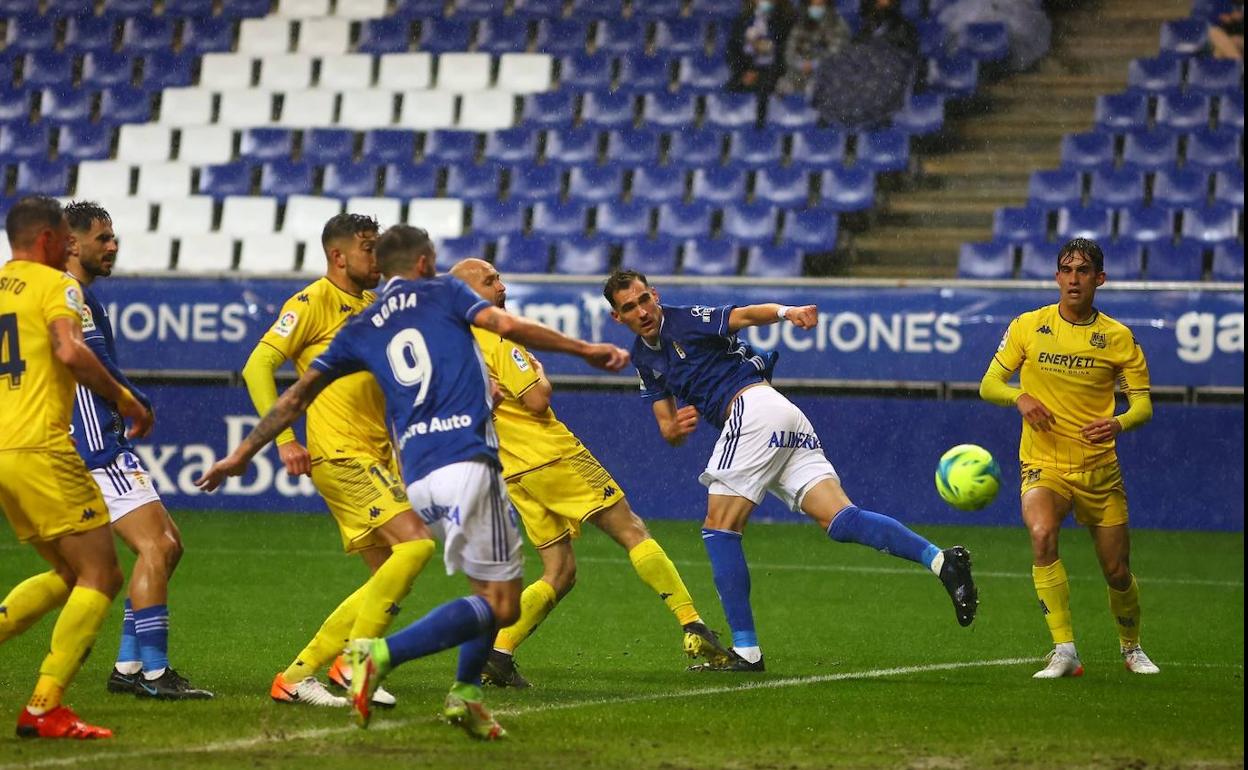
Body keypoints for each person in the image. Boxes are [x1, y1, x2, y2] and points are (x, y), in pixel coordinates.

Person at [197, 225, 629, 740]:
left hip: (417, 468)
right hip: (464, 459)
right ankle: (374, 657)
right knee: (494, 598)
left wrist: (243, 453)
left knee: (457, 584)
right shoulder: (441, 295)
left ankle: (458, 693)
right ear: (425, 263)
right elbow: (507, 326)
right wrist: (586, 350)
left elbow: (296, 397)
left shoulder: (365, 322)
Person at [603, 270, 977, 672]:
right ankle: (942, 561)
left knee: (719, 528)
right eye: (629, 307)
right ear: (617, 317)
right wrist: (676, 429)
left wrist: (788, 311)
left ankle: (746, 651)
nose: (642, 311)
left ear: (655, 295)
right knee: (841, 520)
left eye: (645, 299)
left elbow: (744, 315)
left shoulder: (685, 319)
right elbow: (667, 428)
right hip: (781, 416)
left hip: (753, 410)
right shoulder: (644, 359)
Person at [449, 258, 732, 688]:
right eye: (490, 282)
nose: (502, 286)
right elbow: (537, 398)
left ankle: (498, 654)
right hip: (551, 454)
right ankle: (694, 627)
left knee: (559, 572)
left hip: (513, 469)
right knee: (632, 529)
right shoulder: (497, 335)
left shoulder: (455, 344)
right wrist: (539, 372)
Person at [241, 213, 437, 709]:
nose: (379, 257)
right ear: (338, 255)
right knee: (414, 547)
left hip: (378, 455)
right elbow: (257, 365)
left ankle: (322, 670)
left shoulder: (373, 305)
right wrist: (284, 438)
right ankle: (339, 666)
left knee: (388, 576)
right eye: (370, 248)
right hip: (341, 454)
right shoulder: (312, 302)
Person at [0, 196, 153, 739]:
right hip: (42, 448)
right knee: (101, 574)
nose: (69, 244)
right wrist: (125, 398)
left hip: (3, 453)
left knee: (69, 573)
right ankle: (44, 706)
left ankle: (45, 705)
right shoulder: (56, 286)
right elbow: (69, 351)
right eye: (65, 234)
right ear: (46, 238)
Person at [979, 238, 1159, 679]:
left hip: (1099, 471)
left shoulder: (1118, 338)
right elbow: (989, 384)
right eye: (1066, 269)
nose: (1073, 278)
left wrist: (1118, 423)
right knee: (1041, 534)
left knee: (1117, 571)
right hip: (1045, 463)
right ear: (1057, 276)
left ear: (1100, 279)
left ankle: (1131, 647)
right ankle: (1064, 649)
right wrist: (1020, 397)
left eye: (1083, 271)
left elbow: (1143, 406)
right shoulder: (1028, 325)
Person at [62, 201, 212, 701]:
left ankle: (129, 665)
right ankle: (153, 672)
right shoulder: (70, 298)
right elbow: (92, 360)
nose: (113, 246)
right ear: (72, 244)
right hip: (96, 448)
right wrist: (134, 399)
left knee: (170, 546)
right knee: (156, 547)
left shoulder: (82, 297)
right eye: (102, 238)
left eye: (113, 236)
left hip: (108, 442)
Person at [776, 0, 850, 96]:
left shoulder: (838, 25)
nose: (816, 8)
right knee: (782, 87)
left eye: (820, 4)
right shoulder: (801, 24)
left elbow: (838, 53)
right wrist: (800, 64)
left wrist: (815, 64)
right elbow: (789, 51)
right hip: (797, 74)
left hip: (826, 77)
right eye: (813, 4)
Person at [726, 0, 795, 97]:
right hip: (745, 75)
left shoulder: (785, 22)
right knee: (732, 90)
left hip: (772, 77)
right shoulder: (742, 21)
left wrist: (763, 74)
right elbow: (732, 50)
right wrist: (743, 72)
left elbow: (784, 54)